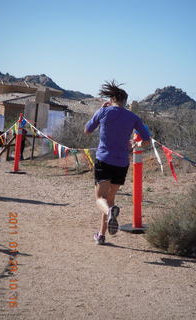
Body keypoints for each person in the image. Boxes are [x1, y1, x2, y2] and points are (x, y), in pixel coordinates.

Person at [84, 80, 151, 245]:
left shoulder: (104, 111)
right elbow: (147, 140)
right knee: (110, 199)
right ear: (125, 101)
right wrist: (136, 144)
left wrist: (100, 110)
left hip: (104, 160)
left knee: (100, 198)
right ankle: (101, 235)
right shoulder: (133, 117)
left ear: (112, 99)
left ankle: (109, 214)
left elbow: (87, 130)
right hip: (121, 164)